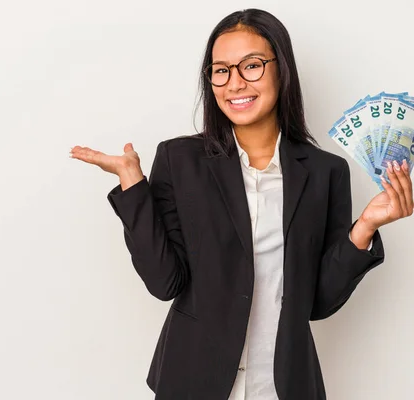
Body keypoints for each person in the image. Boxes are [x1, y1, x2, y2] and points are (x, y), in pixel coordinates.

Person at [69, 8, 413, 400]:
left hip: (283, 385)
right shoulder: (179, 160)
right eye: (221, 70)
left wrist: (365, 226)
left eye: (251, 66)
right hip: (194, 381)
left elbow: (317, 302)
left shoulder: (324, 171)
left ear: (281, 69)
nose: (234, 83)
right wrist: (133, 184)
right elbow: (165, 282)